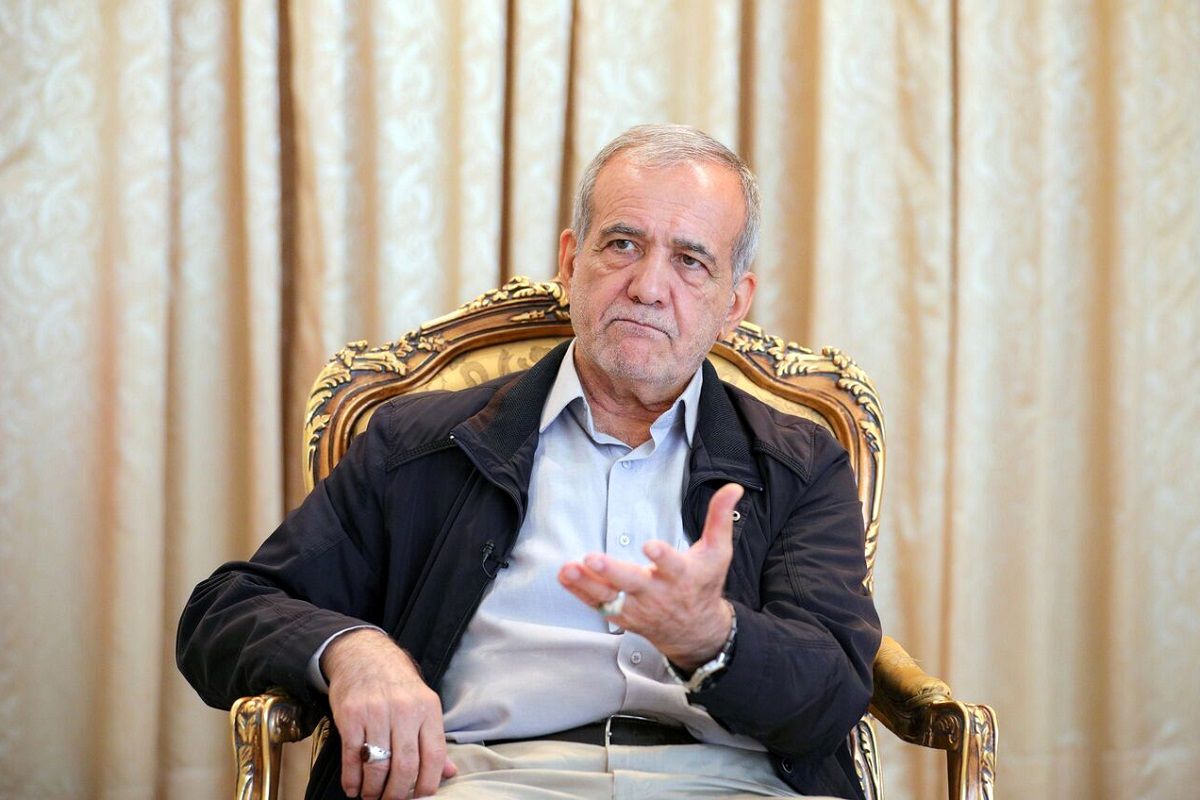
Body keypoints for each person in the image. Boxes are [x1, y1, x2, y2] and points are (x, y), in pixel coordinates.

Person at [177, 124, 881, 800]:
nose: (647, 286)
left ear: (734, 303)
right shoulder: (421, 444)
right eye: (623, 244)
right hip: (482, 779)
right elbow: (225, 611)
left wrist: (713, 638)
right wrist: (352, 649)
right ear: (571, 263)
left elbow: (834, 692)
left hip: (733, 783)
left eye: (690, 261)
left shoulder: (798, 464)